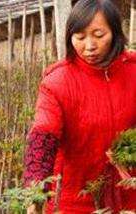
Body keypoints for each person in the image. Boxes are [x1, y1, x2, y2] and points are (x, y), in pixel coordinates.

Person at [23, 0, 136, 213]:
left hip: (130, 196)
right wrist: (35, 192)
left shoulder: (133, 71)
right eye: (80, 37)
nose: (90, 46)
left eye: (99, 35)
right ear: (69, 37)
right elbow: (43, 136)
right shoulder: (58, 81)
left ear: (115, 33)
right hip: (74, 200)